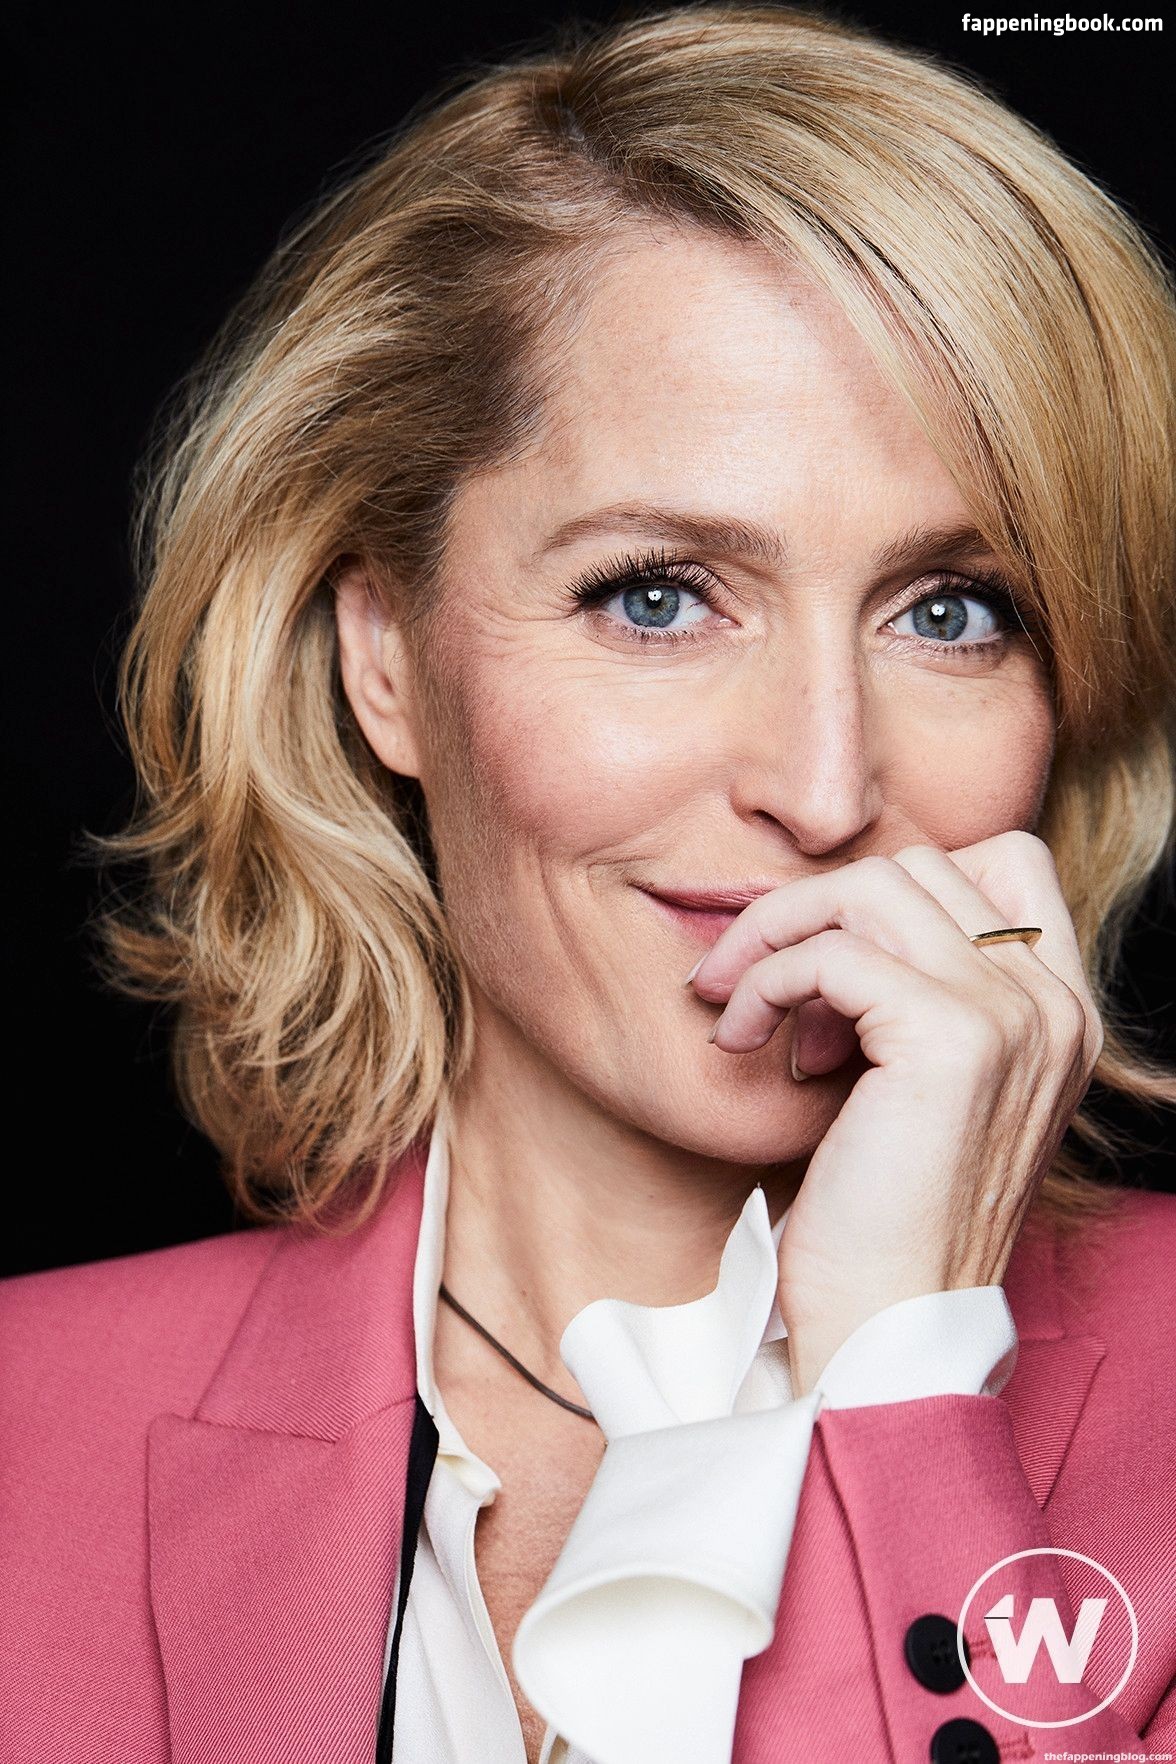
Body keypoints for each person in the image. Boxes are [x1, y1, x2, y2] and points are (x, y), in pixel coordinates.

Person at [3, 5, 1175, 1761]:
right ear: (387, 659)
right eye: (658, 596)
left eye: (953, 612)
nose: (825, 788)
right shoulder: (26, 1428)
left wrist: (902, 1380)